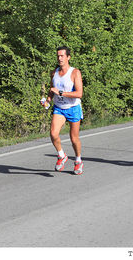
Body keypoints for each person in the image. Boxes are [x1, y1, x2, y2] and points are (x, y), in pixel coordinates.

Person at [41, 46, 84, 175]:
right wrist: (47, 100)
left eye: (62, 56)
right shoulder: (54, 73)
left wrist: (61, 93)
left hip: (73, 108)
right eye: (58, 56)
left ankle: (78, 160)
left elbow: (79, 93)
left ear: (68, 57)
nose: (60, 58)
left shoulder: (75, 72)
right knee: (53, 134)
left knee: (74, 138)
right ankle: (61, 155)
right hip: (59, 108)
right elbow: (51, 89)